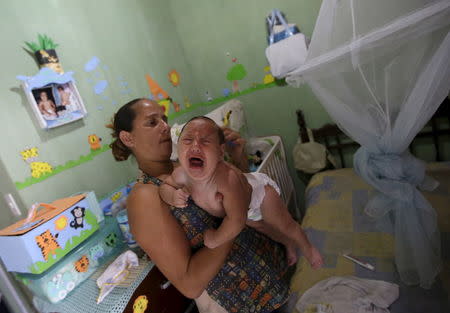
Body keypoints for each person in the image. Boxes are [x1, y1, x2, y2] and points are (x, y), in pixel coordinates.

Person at [109, 98, 290, 312]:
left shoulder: (186, 165)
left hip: (269, 274)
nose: (165, 126)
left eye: (164, 119)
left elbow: (239, 198)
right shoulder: (145, 197)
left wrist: (237, 158)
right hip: (241, 301)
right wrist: (233, 223)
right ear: (128, 137)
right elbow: (190, 284)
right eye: (152, 122)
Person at [160, 116, 323, 268]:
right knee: (266, 229)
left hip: (261, 197)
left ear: (220, 152)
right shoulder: (181, 175)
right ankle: (288, 244)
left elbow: (237, 221)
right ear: (178, 148)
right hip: (243, 210)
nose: (195, 146)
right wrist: (173, 196)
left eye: (205, 141)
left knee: (284, 224)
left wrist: (215, 239)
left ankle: (308, 247)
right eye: (187, 140)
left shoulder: (228, 179)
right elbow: (165, 187)